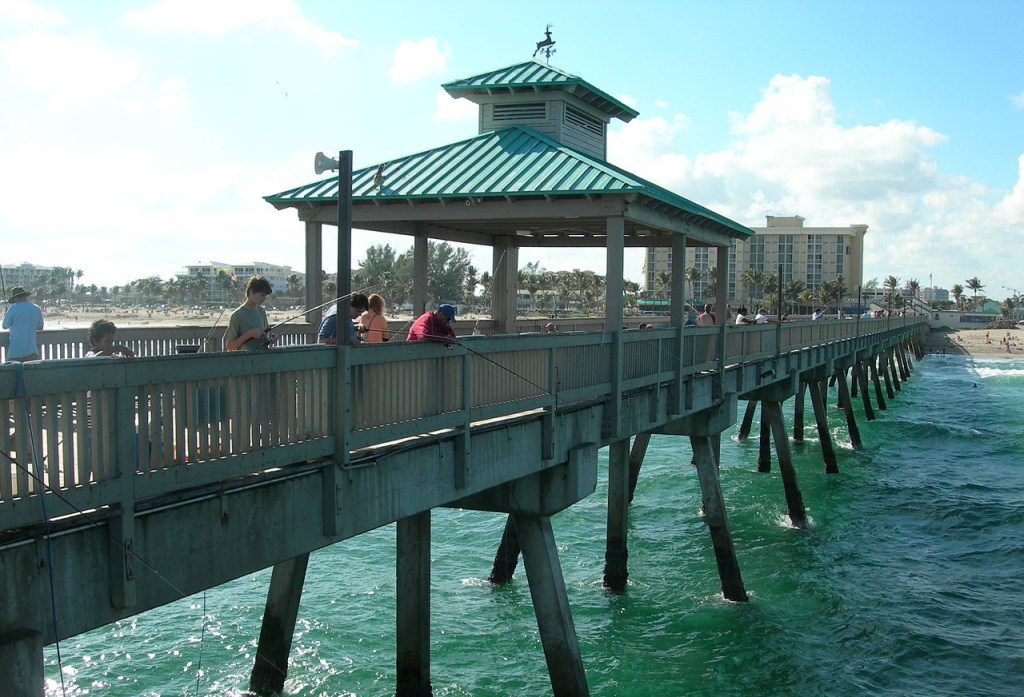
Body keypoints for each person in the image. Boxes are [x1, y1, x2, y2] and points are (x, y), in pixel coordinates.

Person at [224, 275, 274, 351]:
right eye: (262, 295)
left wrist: (271, 338)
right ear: (252, 291)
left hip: (262, 357)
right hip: (245, 358)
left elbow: (265, 335)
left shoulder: (261, 311)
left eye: (265, 296)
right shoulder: (237, 315)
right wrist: (249, 334)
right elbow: (229, 346)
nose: (264, 299)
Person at [2, 286, 44, 362]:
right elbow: (40, 327)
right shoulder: (36, 308)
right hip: (32, 352)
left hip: (15, 352)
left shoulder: (13, 309)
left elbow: (5, 325)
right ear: (25, 296)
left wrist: (6, 314)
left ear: (16, 298)